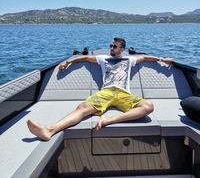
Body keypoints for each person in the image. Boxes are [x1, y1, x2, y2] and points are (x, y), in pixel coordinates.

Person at [27, 37, 174, 141]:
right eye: (111, 46)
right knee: (83, 107)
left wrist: (162, 59)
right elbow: (83, 58)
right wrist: (68, 62)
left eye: (115, 46)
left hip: (124, 94)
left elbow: (145, 57)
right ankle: (50, 130)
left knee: (148, 106)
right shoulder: (103, 58)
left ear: (122, 49)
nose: (112, 48)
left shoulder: (130, 59)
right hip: (106, 92)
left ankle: (109, 121)